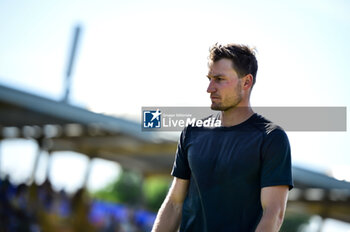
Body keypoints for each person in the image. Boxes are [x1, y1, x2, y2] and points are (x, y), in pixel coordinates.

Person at [152, 43, 293, 232]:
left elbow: (274, 214)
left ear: (246, 82)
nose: (210, 88)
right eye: (209, 79)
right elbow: (175, 203)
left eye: (219, 79)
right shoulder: (192, 132)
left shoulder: (271, 138)